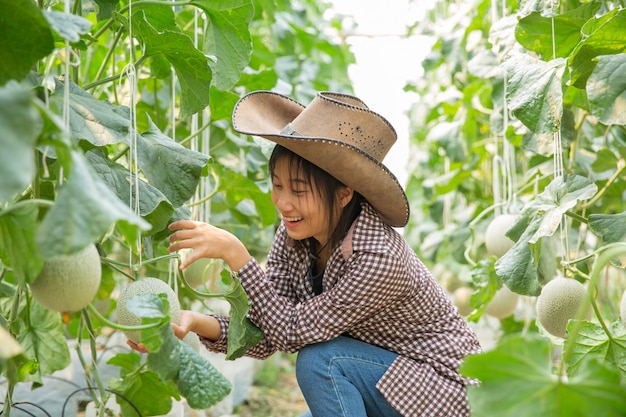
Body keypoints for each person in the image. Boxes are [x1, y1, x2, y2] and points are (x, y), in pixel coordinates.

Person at [128, 91, 481, 416]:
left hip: (445, 390)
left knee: (320, 362)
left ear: (344, 193)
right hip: (394, 382)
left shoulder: (379, 256)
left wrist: (238, 256)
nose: (282, 202)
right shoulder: (297, 234)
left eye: (298, 189)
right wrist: (193, 321)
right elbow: (268, 328)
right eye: (277, 185)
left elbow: (292, 334)